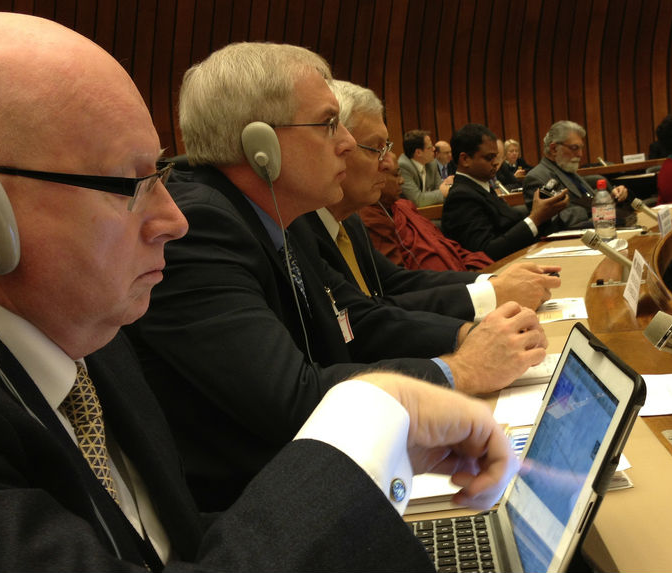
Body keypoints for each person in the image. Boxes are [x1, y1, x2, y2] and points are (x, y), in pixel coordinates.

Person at [0, 13, 518, 570]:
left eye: (161, 174)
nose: (172, 221)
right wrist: (380, 412)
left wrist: (377, 473)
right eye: (130, 184)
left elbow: (166, 542)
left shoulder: (87, 331)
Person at [127, 43, 544, 511]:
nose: (346, 140)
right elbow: (290, 398)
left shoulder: (282, 216)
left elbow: (355, 321)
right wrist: (457, 372)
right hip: (256, 513)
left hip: (318, 482)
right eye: (328, 123)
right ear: (259, 146)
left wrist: (470, 335)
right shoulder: (200, 228)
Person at [305, 80, 560, 321]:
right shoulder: (302, 232)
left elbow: (396, 281)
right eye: (376, 148)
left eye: (387, 147)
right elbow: (365, 316)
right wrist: (490, 297)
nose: (388, 161)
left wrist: (491, 282)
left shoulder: (349, 223)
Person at [442, 123, 570, 259]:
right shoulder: (461, 197)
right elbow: (485, 253)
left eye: (496, 157)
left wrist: (545, 212)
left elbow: (508, 228)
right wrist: (535, 218)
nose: (496, 163)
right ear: (465, 159)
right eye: (489, 158)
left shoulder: (481, 187)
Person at [360, 151, 497, 271]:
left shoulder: (405, 206)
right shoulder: (370, 218)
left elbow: (442, 244)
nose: (401, 181)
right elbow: (398, 278)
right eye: (396, 175)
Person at [522, 120, 628, 229]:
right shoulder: (536, 178)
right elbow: (552, 222)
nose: (580, 154)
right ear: (554, 149)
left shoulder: (568, 171)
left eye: (581, 148)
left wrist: (612, 198)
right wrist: (595, 208)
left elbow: (588, 202)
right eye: (574, 148)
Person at [399, 129, 452, 206]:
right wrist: (446, 191)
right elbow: (417, 200)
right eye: (429, 147)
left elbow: (440, 187)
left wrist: (447, 186)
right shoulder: (403, 166)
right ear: (418, 152)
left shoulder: (431, 163)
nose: (434, 149)